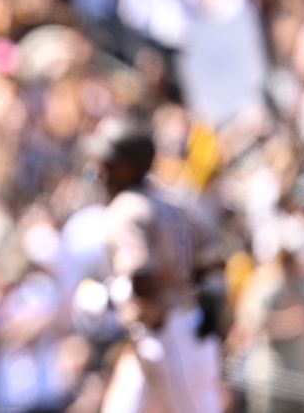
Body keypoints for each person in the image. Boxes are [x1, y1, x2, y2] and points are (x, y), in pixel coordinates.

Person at [70, 117, 223, 413]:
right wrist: (212, 309)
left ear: (124, 167)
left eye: (105, 162)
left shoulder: (126, 209)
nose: (98, 170)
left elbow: (142, 278)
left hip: (166, 335)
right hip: (183, 330)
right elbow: (213, 260)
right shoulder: (174, 199)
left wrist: (106, 300)